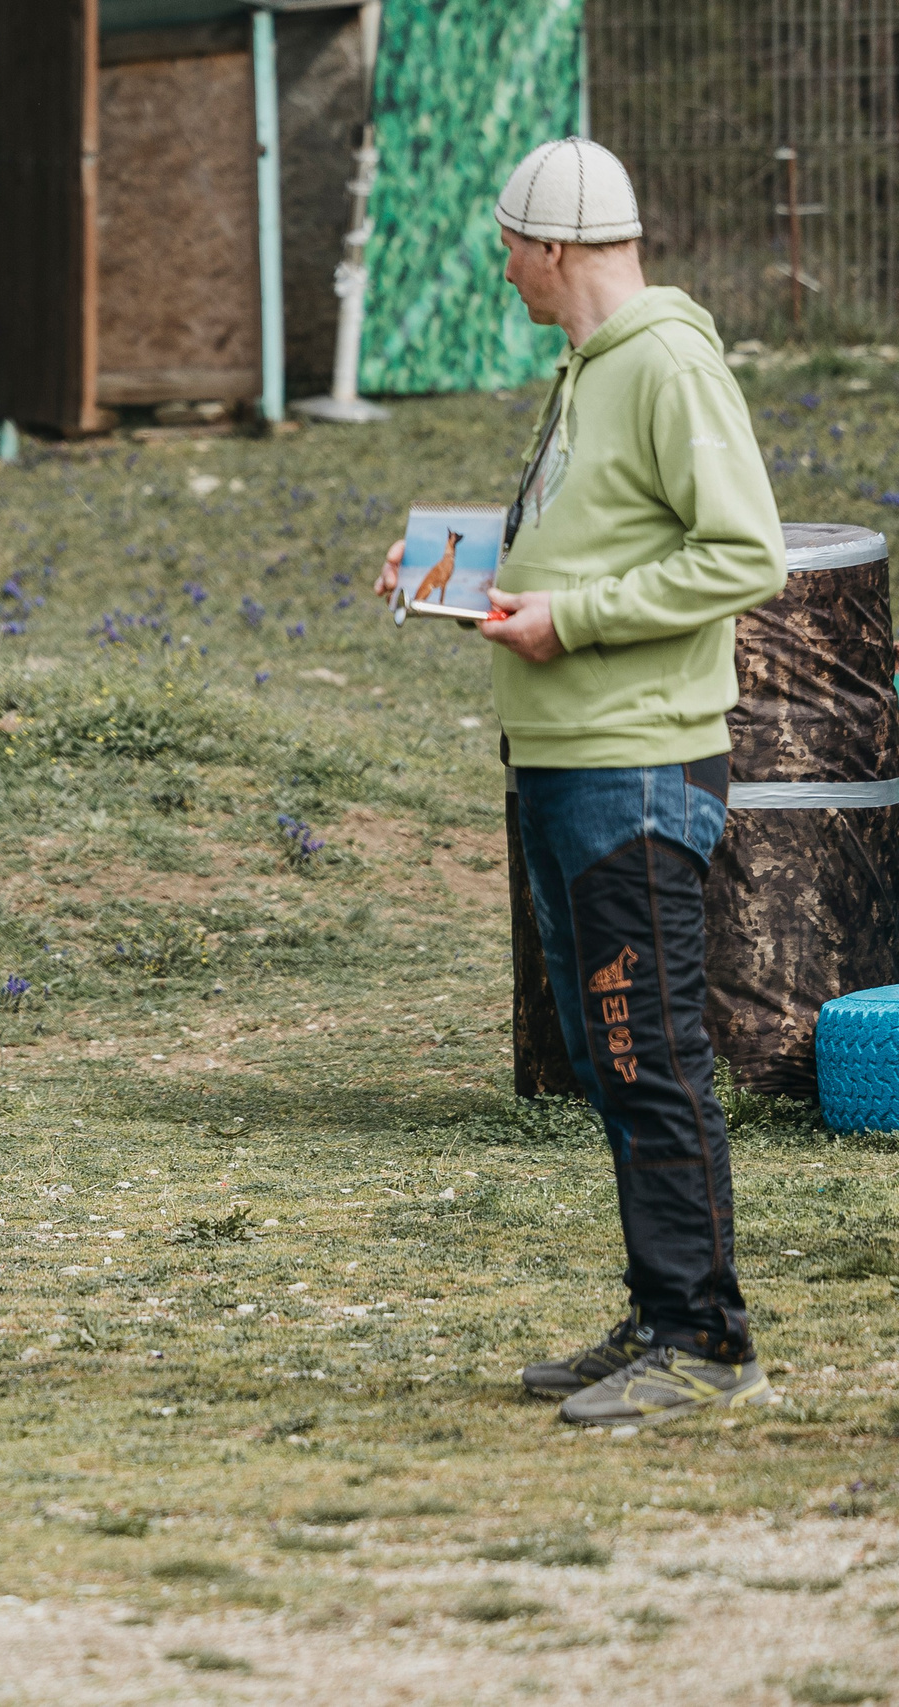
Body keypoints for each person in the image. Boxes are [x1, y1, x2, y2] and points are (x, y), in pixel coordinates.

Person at [378, 138, 784, 1427]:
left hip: (638, 767)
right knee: (614, 1058)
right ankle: (664, 1314)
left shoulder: (667, 363)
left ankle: (709, 1346)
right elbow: (592, 531)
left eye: (509, 246)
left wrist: (581, 620)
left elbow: (747, 552)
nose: (503, 270)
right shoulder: (587, 370)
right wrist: (449, 573)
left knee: (651, 1056)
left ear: (552, 247)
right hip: (565, 760)